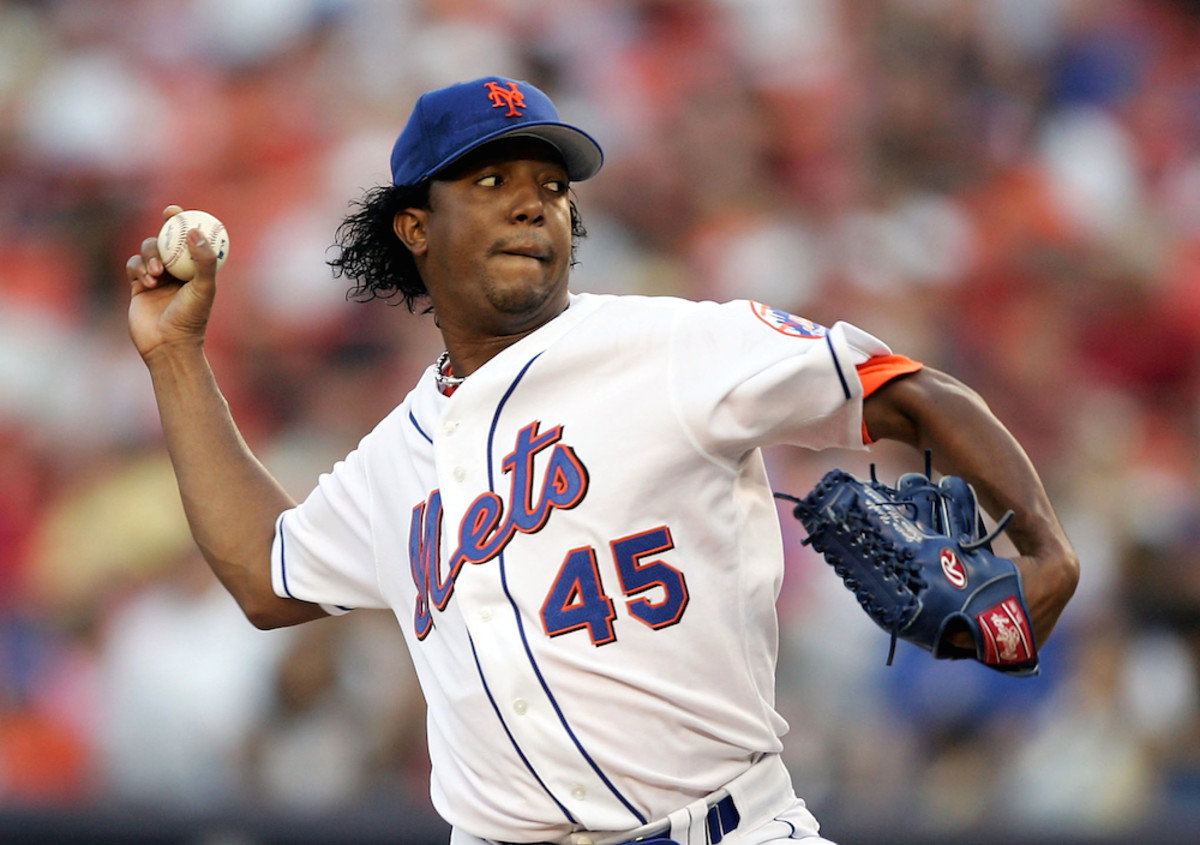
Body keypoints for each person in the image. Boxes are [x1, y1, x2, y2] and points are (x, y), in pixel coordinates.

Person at [126, 75, 1079, 845]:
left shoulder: (672, 345)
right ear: (415, 226)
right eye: (490, 182)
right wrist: (175, 355)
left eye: (549, 186)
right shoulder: (395, 459)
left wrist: (1045, 545)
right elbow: (264, 572)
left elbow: (910, 388)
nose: (531, 205)